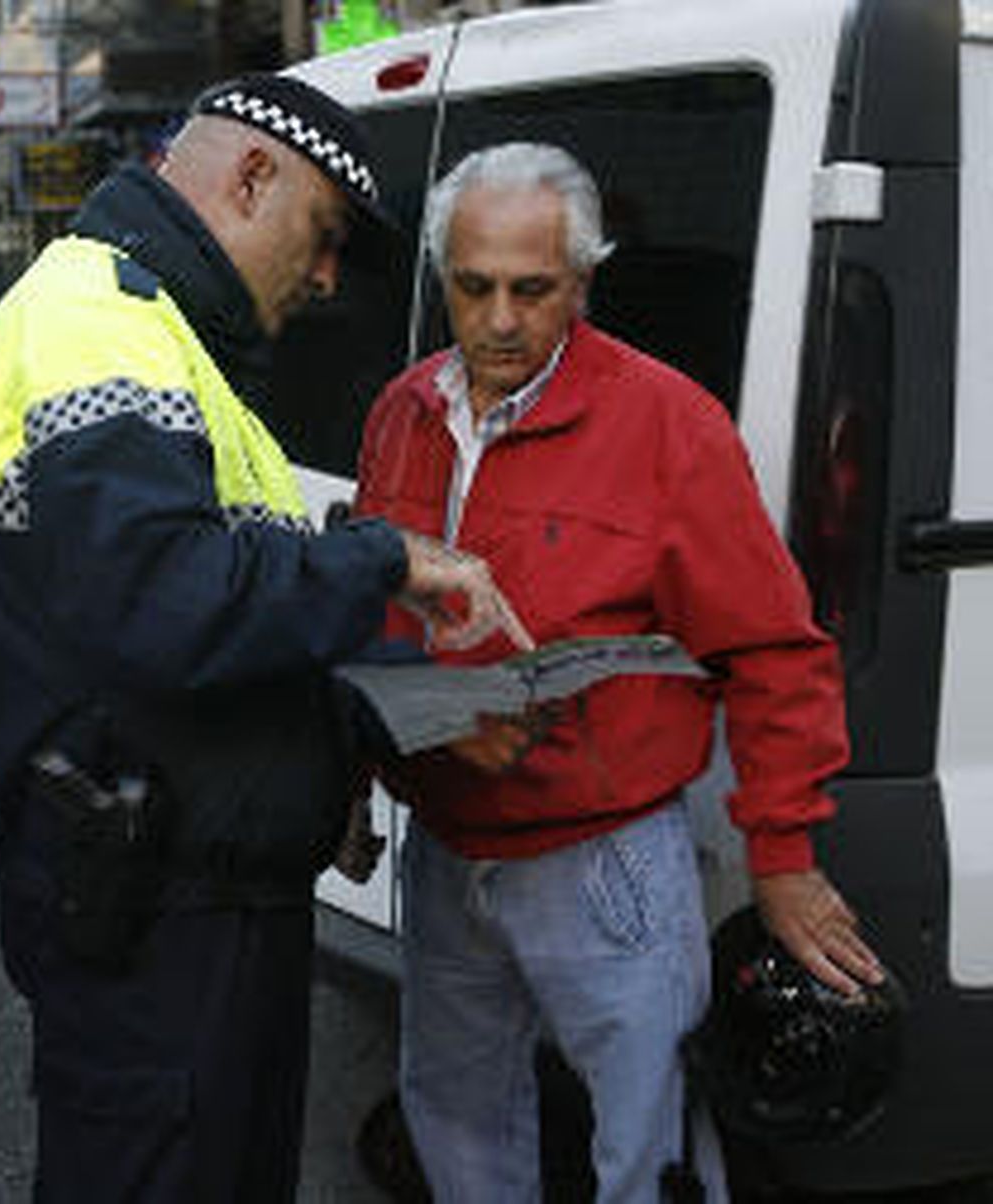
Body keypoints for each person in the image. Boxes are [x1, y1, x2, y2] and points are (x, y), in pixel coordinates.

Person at [0, 75, 529, 1203]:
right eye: (321, 241)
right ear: (251, 175)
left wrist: (395, 713)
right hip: (155, 916)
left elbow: (235, 628)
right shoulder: (95, 324)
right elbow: (168, 599)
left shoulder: (169, 336)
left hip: (201, 895)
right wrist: (387, 557)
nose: (322, 281)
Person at [352, 143, 887, 1203]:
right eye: (472, 287)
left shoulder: (667, 424)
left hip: (603, 871)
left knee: (643, 1140)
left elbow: (774, 650)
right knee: (453, 1117)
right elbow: (365, 619)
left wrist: (781, 856)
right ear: (441, 275)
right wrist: (352, 773)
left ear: (583, 282)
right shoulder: (400, 413)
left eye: (532, 289)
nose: (500, 319)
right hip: (444, 855)